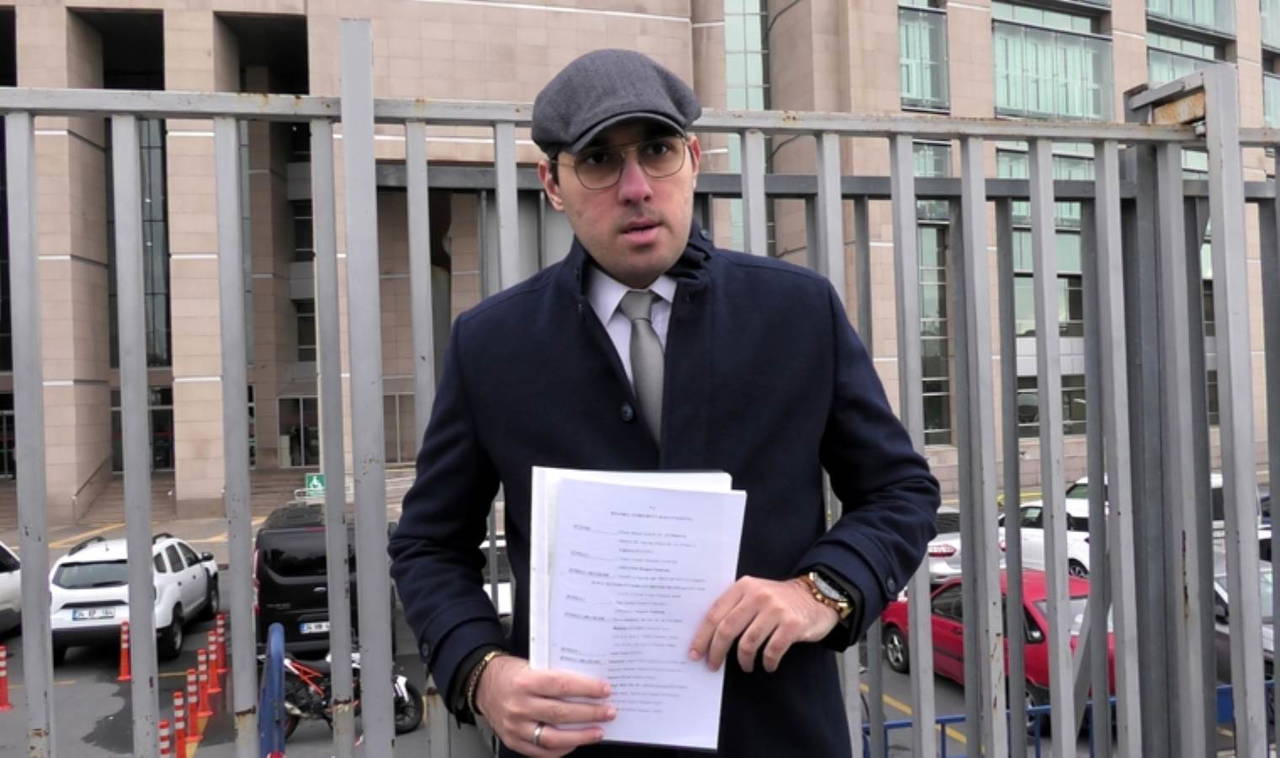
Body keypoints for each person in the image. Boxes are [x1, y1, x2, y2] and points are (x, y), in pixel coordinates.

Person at [389, 48, 939, 758]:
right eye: (598, 160)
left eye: (657, 151)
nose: (636, 188)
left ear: (694, 160)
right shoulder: (492, 343)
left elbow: (899, 490)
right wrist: (481, 671)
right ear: (551, 184)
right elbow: (430, 544)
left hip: (777, 736)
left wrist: (819, 592)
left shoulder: (798, 312)